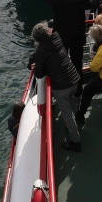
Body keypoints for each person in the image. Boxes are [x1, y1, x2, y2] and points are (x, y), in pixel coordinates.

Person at [28, 22, 83, 151]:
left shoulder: (41, 50)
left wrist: (36, 65)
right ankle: (75, 125)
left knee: (67, 115)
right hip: (74, 79)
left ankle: (75, 142)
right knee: (72, 105)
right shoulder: (56, 38)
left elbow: (39, 73)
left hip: (62, 87)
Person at [46, 0, 93, 76]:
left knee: (61, 62)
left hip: (60, 35)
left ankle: (64, 82)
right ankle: (78, 85)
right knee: (77, 63)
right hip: (77, 36)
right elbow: (92, 1)